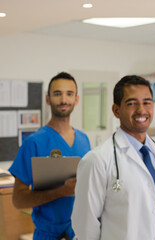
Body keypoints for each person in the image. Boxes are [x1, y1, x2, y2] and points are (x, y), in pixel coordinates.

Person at [72, 75, 155, 240]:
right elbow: (85, 227)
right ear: (116, 110)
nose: (141, 110)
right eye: (132, 103)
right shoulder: (97, 160)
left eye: (147, 102)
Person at [9, 72, 91, 239]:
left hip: (80, 233)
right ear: (48, 99)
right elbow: (18, 200)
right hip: (49, 235)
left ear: (76, 99)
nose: (63, 100)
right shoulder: (34, 143)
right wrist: (62, 191)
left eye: (69, 94)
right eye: (57, 94)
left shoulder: (84, 140)